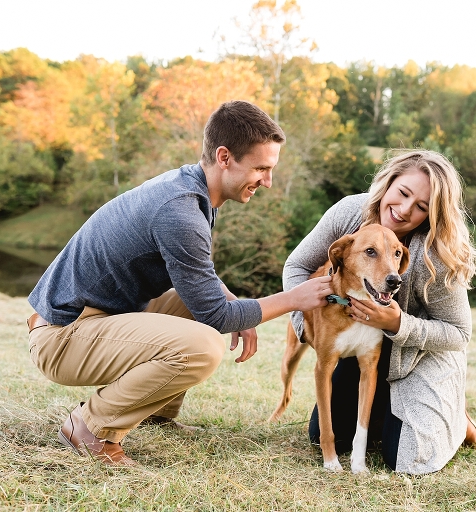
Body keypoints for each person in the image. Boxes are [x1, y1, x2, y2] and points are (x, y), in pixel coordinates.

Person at [27, 101, 333, 466]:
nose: (267, 181)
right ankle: (89, 427)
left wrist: (239, 304)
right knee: (204, 346)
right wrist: (295, 297)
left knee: (190, 304)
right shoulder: (181, 211)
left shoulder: (191, 188)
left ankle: (157, 411)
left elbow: (198, 274)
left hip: (95, 317)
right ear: (224, 157)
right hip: (62, 336)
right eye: (261, 168)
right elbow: (216, 315)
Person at [283, 149, 476, 474]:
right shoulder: (349, 213)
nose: (404, 210)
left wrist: (398, 323)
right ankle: (381, 413)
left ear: (434, 214)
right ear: (388, 183)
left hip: (419, 354)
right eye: (403, 193)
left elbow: (459, 334)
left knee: (406, 460)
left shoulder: (438, 252)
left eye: (421, 207)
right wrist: (308, 327)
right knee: (323, 437)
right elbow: (297, 266)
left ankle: (456, 419)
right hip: (361, 340)